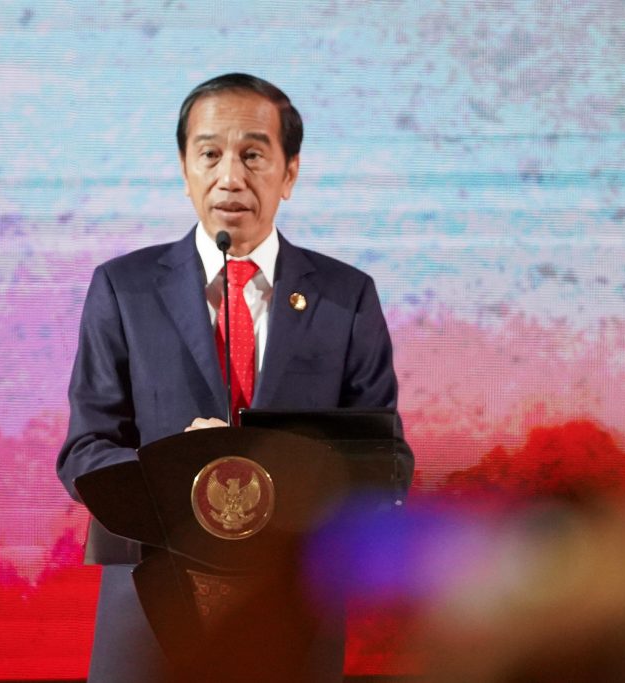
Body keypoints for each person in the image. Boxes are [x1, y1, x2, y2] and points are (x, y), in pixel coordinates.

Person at [57, 73, 412, 683]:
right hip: (149, 609)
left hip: (295, 610)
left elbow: (388, 462)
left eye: (252, 155)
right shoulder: (123, 289)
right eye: (209, 154)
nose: (229, 177)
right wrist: (174, 470)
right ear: (184, 168)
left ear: (289, 172)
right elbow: (84, 452)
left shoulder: (347, 297)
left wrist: (289, 476)